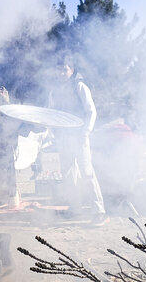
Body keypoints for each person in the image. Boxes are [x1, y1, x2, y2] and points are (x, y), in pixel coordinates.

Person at [48, 60, 107, 225]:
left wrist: (85, 132)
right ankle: (75, 209)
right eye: (58, 69)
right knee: (68, 174)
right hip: (63, 139)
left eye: (64, 70)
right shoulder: (54, 91)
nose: (61, 73)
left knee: (87, 172)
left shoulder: (79, 87)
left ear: (72, 70)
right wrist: (53, 134)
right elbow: (51, 113)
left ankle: (99, 211)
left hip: (79, 137)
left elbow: (91, 110)